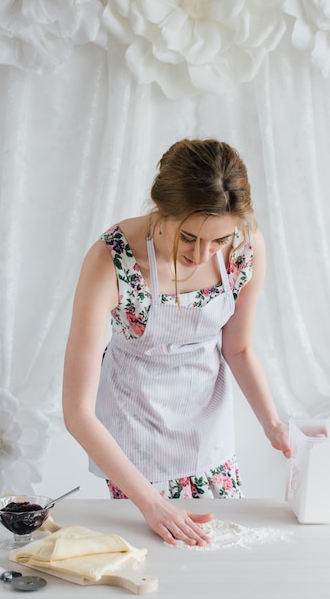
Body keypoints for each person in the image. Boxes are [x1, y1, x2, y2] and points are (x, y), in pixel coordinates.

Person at [62, 138, 291, 548]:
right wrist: (150, 503)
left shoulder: (245, 245)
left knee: (223, 551)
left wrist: (272, 424)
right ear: (161, 209)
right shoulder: (112, 260)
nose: (202, 255)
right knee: (157, 559)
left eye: (218, 241)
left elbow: (236, 348)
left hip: (208, 427)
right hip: (134, 436)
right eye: (188, 237)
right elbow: (77, 412)